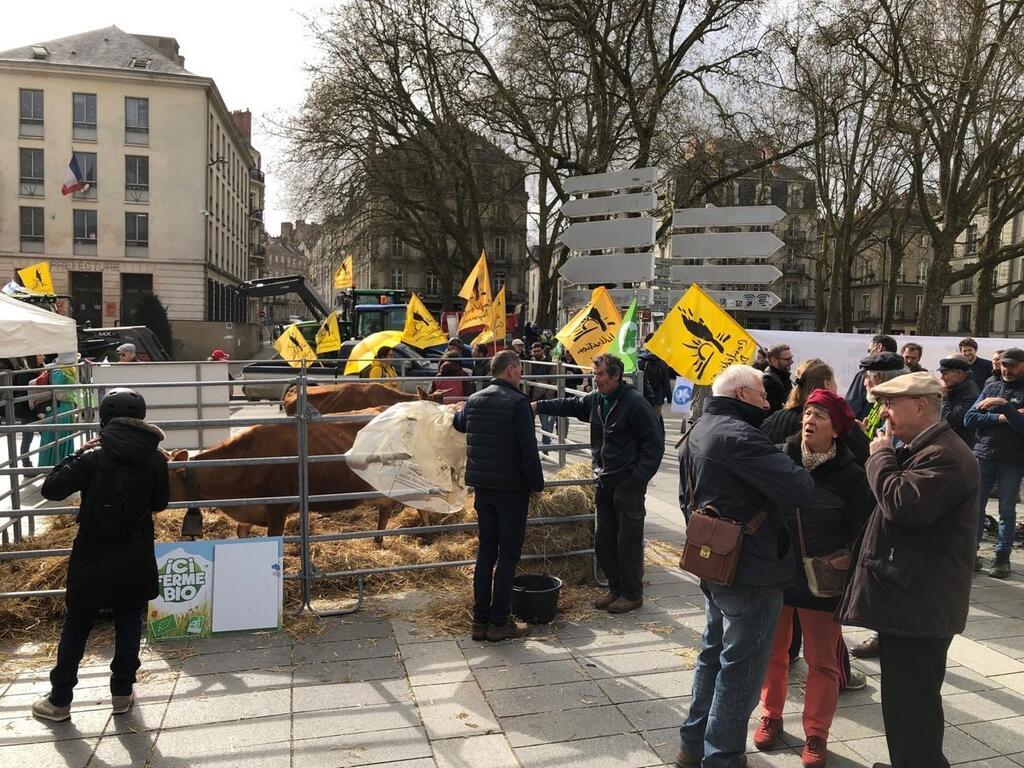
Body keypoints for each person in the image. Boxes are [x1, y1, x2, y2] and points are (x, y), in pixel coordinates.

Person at [677, 365, 817, 768]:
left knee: (712, 654)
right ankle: (721, 758)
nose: (768, 402)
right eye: (761, 396)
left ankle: (693, 744)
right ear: (741, 394)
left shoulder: (702, 424)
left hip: (714, 559)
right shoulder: (740, 436)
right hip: (750, 568)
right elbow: (800, 487)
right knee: (741, 671)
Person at [839, 372, 978, 768]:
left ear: (920, 406)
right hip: (912, 598)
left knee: (912, 704)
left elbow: (904, 505)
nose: (884, 414)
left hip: (923, 604)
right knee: (906, 700)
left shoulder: (946, 454)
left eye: (890, 405)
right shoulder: (925, 446)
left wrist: (880, 456)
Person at [32, 388, 170, 722]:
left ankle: (60, 700)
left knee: (77, 624)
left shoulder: (94, 456)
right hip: (135, 552)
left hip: (92, 553)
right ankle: (122, 693)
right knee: (128, 621)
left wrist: (76, 454)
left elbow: (51, 490)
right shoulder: (155, 459)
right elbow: (161, 504)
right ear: (141, 418)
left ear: (104, 420)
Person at [755, 389, 874, 768]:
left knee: (822, 660)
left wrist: (847, 570)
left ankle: (816, 733)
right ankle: (771, 714)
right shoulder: (778, 457)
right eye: (807, 413)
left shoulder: (853, 474)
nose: (810, 421)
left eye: (820, 416)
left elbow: (861, 531)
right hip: (776, 571)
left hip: (824, 579)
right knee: (773, 652)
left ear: (836, 429)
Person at [536, 353, 663, 613]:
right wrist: (538, 406)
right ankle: (615, 588)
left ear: (616, 375)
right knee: (604, 540)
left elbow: (654, 446)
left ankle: (632, 593)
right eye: (594, 374)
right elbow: (571, 405)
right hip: (604, 480)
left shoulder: (635, 404)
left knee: (628, 541)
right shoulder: (597, 400)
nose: (596, 380)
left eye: (601, 374)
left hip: (627, 482)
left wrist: (636, 479)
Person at [452, 350, 543, 642]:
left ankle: (479, 621)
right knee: (508, 555)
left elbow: (459, 424)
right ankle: (499, 621)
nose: (520, 375)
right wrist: (537, 485)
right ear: (510, 370)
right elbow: (528, 450)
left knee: (486, 553)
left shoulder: (475, 400)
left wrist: (457, 409)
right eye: (519, 370)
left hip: (483, 488)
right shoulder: (518, 403)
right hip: (511, 489)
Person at [963, 346, 1024, 578]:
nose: (1006, 369)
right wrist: (1003, 415)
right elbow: (970, 419)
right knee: (975, 507)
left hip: (1013, 460)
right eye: (1004, 364)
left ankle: (1002, 557)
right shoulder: (991, 386)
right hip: (984, 455)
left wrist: (1004, 406)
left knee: (1007, 510)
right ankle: (972, 553)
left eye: (1012, 365)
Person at [38, 352, 81, 467]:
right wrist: (74, 397)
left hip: (63, 407)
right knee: (59, 436)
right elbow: (59, 394)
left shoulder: (63, 370)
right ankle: (55, 465)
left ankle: (60, 464)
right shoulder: (59, 372)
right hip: (60, 406)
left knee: (62, 435)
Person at [857, 353, 908, 441]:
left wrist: (860, 439)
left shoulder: (897, 407)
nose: (864, 383)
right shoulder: (882, 401)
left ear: (879, 377)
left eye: (866, 377)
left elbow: (886, 447)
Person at [846, 335, 897, 419]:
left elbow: (852, 407)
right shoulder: (901, 376)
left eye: (869, 350)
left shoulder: (867, 373)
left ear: (879, 347)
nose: (868, 355)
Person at [13, 354, 47, 468]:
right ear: (33, 357)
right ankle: (26, 464)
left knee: (47, 435)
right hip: (27, 411)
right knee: (27, 438)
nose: (43, 357)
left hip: (39, 410)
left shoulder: (42, 370)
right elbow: (24, 396)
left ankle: (47, 461)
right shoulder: (24, 374)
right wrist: (36, 411)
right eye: (40, 355)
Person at [938, 355, 979, 448]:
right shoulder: (953, 388)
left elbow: (951, 420)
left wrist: (944, 398)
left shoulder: (971, 395)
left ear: (960, 373)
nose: (942, 378)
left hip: (959, 445)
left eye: (945, 374)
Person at [527, 342, 555, 451]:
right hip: (531, 397)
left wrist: (547, 395)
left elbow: (553, 381)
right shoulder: (528, 362)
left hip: (543, 397)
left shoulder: (549, 363)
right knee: (530, 424)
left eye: (538, 351)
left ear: (542, 350)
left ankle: (546, 447)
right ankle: (531, 446)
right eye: (534, 351)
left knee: (545, 425)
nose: (536, 353)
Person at [639, 334, 672, 418]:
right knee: (656, 420)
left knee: (644, 420)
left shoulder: (641, 361)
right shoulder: (661, 362)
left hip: (643, 397)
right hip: (658, 397)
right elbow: (666, 383)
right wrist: (669, 397)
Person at [763, 344, 795, 412]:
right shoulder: (769, 382)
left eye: (791, 358)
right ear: (774, 360)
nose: (792, 362)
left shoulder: (783, 376)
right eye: (787, 359)